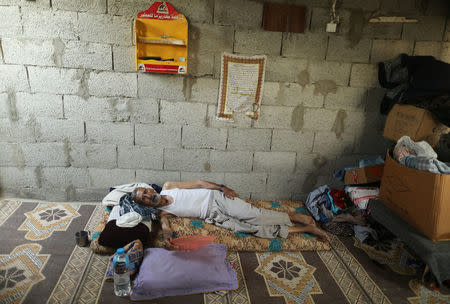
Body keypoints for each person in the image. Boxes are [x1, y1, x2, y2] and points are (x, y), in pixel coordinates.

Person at [131, 180, 330, 245]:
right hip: (213, 216)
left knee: (255, 215)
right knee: (250, 229)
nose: (148, 196)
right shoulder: (163, 213)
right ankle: (306, 228)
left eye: (146, 192)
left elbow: (200, 183)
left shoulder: (169, 186)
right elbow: (166, 228)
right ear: (146, 204)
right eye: (144, 199)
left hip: (216, 199)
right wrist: (168, 239)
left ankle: (293, 217)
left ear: (149, 188)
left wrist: (222, 188)